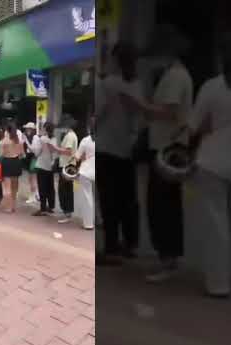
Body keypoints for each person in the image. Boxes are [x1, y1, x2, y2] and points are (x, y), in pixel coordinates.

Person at [122, 24, 194, 282]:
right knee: (163, 204)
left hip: (167, 148)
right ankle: (168, 258)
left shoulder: (175, 76)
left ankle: (168, 260)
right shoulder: (172, 74)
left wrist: (140, 106)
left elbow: (170, 112)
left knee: (163, 206)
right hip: (165, 146)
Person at [188, 32, 231, 298]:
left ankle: (219, 284)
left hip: (213, 162)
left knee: (217, 226)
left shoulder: (212, 86)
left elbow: (194, 126)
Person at [96, 42, 143, 260]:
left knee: (108, 200)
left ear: (114, 60)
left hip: (106, 148)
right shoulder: (137, 85)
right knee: (128, 198)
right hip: (127, 149)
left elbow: (99, 114)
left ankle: (111, 247)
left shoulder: (107, 85)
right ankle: (131, 243)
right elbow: (138, 119)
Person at [32, 122, 56, 216]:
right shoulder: (54, 139)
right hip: (50, 165)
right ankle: (51, 206)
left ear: (45, 129)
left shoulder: (42, 139)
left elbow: (37, 152)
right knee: (50, 187)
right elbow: (55, 153)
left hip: (42, 165)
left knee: (42, 187)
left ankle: (42, 208)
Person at [0, 121, 24, 213]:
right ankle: (13, 205)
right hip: (16, 162)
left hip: (7, 162)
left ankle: (8, 206)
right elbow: (22, 154)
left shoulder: (4, 141)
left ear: (7, 130)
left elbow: (1, 154)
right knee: (15, 187)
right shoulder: (18, 140)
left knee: (7, 187)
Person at [57, 122, 79, 223]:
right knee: (66, 189)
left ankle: (67, 213)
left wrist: (56, 149)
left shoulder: (70, 136)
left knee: (64, 190)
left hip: (67, 166)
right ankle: (67, 212)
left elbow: (68, 151)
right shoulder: (72, 135)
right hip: (68, 165)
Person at [75, 125, 96, 230]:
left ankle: (88, 224)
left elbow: (77, 156)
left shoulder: (86, 140)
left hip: (86, 171)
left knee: (87, 197)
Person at [23, 122, 40, 204]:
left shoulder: (35, 138)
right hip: (30, 158)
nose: (27, 130)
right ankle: (36, 194)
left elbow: (33, 149)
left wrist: (26, 141)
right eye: (26, 129)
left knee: (32, 178)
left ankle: (33, 196)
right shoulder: (30, 137)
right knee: (32, 178)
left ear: (32, 130)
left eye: (28, 129)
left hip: (34, 159)